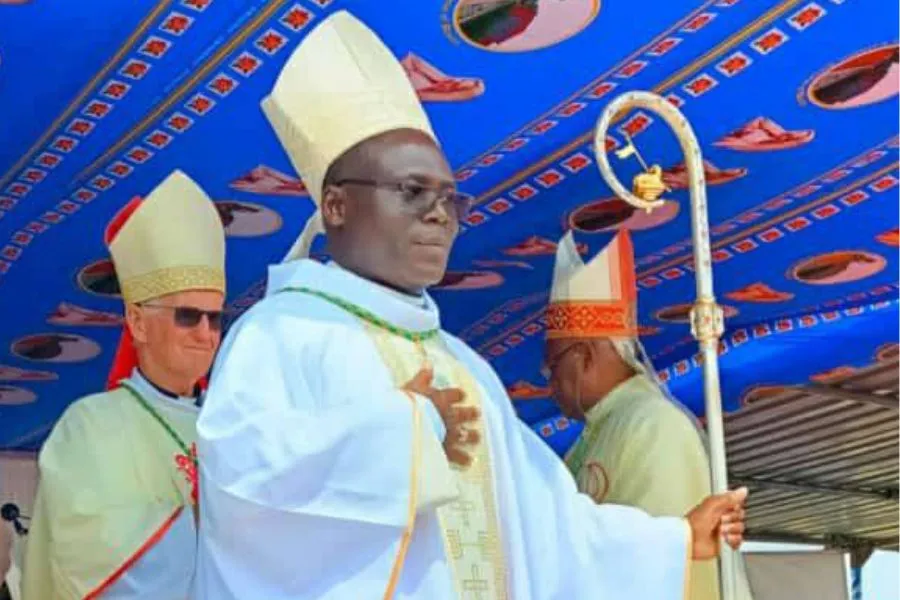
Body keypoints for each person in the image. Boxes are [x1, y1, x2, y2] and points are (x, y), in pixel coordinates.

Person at [194, 11, 748, 599]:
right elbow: (245, 489)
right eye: (411, 192)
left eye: (448, 199)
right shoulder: (281, 333)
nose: (438, 214)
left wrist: (672, 540)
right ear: (335, 206)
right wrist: (399, 433)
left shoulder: (466, 368)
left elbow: (547, 523)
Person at [21, 171, 226, 600]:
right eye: (188, 315)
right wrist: (235, 527)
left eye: (215, 318)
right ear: (137, 322)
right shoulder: (92, 425)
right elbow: (100, 554)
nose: (205, 333)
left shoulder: (232, 421)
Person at [545, 229, 755, 600]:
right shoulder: (596, 433)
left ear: (585, 356)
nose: (550, 382)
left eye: (553, 366)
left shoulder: (653, 425)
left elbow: (660, 563)